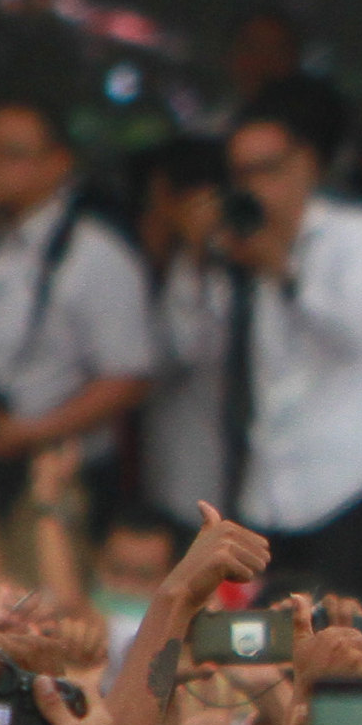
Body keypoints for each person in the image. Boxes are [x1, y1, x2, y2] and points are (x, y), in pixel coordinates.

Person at [0, 102, 152, 524]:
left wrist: (31, 432)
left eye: (11, 154)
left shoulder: (98, 257)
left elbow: (128, 378)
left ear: (58, 162)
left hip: (47, 478)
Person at [218, 81, 362, 593]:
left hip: (344, 479)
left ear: (305, 164)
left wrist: (284, 271)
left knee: (340, 628)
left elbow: (354, 336)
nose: (255, 186)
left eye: (267, 169)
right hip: (268, 482)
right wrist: (199, 262)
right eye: (241, 174)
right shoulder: (239, 242)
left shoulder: (355, 233)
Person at [134, 135, 235, 536]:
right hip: (170, 478)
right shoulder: (168, 270)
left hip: (207, 484)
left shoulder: (218, 270)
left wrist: (194, 256)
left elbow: (181, 351)